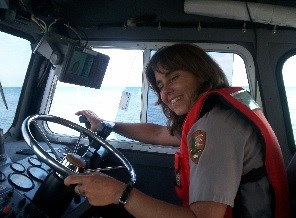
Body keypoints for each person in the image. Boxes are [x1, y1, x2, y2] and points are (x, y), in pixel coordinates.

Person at [64, 44, 290, 217]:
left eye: (174, 77)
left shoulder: (216, 126)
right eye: (161, 85)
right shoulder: (215, 115)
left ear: (200, 73)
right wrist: (107, 125)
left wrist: (118, 194)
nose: (166, 92)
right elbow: (159, 134)